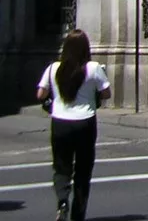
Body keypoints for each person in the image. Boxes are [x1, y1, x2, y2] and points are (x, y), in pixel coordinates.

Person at [36, 30, 112, 221]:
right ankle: (78, 214)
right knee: (83, 170)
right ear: (85, 48)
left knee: (61, 167)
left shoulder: (54, 68)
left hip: (60, 121)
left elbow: (40, 94)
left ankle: (62, 201)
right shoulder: (93, 68)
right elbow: (106, 94)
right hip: (85, 122)